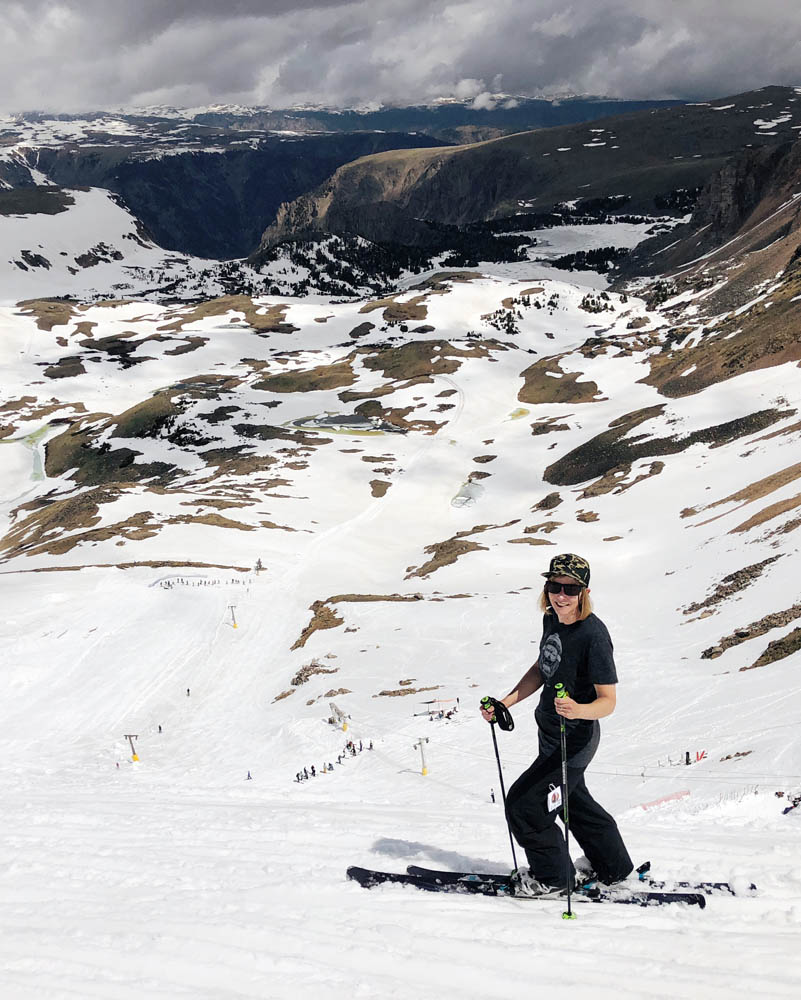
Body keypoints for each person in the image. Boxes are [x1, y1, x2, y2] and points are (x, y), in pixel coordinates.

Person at [481, 553, 632, 897]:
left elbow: (608, 701)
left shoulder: (593, 635)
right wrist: (505, 702)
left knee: (525, 806)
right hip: (551, 735)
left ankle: (552, 878)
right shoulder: (552, 620)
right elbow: (542, 667)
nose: (560, 595)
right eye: (554, 586)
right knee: (571, 800)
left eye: (569, 588)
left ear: (584, 591)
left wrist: (578, 710)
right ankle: (613, 866)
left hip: (575, 740)